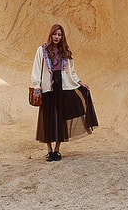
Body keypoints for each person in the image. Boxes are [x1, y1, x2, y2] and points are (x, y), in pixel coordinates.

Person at [30, 23, 98, 161]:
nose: (57, 37)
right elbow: (36, 68)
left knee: (61, 118)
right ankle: (49, 150)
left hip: (62, 86)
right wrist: (37, 86)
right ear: (51, 34)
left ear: (62, 37)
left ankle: (57, 150)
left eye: (59, 35)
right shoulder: (41, 50)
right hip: (47, 88)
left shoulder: (65, 52)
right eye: (55, 34)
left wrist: (79, 82)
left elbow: (71, 71)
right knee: (47, 118)